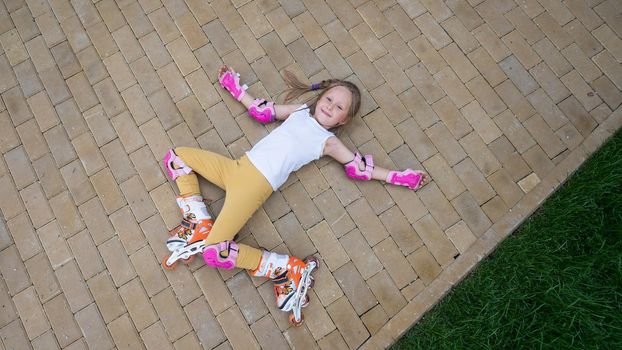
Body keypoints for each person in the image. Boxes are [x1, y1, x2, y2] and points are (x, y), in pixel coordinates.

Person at [161, 66, 429, 325]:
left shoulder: (328, 142)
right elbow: (262, 111)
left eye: (339, 108)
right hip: (235, 168)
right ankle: (199, 220)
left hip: (253, 188)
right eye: (329, 99)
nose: (330, 106)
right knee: (176, 157)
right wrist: (234, 86)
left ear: (343, 120)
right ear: (320, 98)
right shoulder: (300, 111)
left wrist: (399, 177)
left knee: (215, 253)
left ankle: (286, 268)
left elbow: (359, 168)